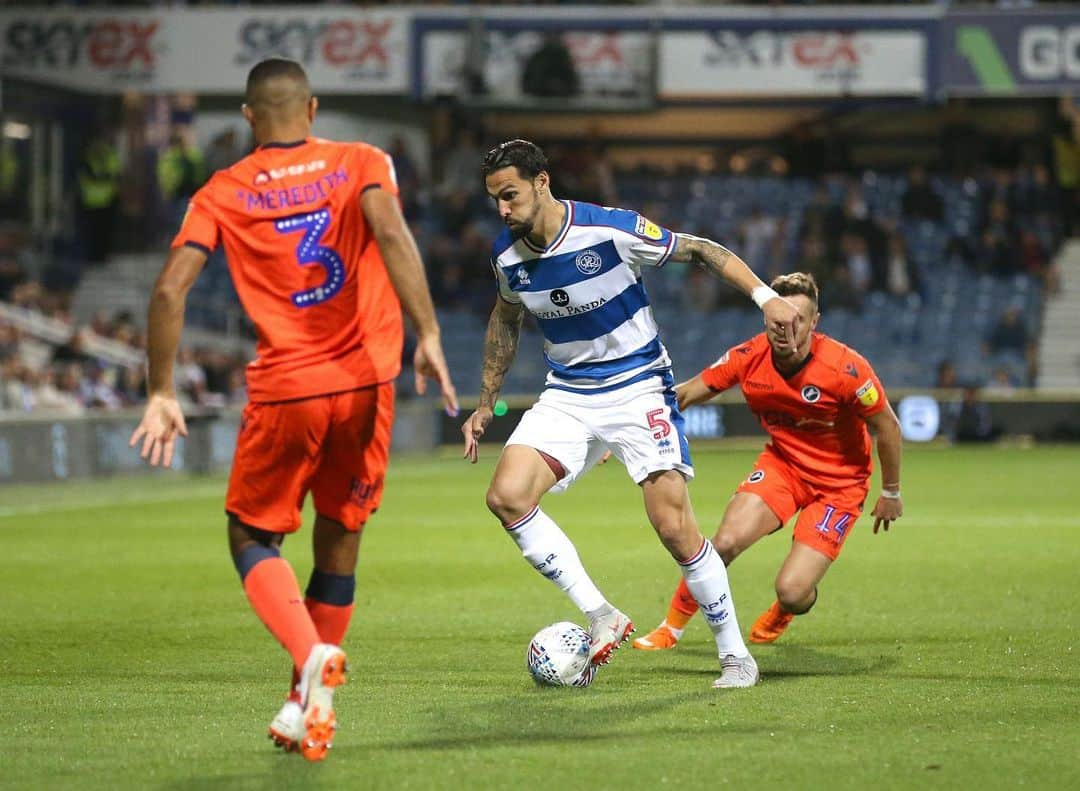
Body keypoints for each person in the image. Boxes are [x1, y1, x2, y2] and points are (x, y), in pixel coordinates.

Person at [128, 58, 458, 762]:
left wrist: (162, 390)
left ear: (248, 117)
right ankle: (304, 699)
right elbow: (393, 235)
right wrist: (427, 333)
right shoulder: (361, 160)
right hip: (369, 384)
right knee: (340, 538)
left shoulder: (221, 190)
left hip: (288, 387)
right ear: (311, 108)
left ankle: (308, 661)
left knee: (251, 535)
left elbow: (167, 292)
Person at [460, 139, 800, 689]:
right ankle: (601, 615)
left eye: (510, 195)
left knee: (674, 528)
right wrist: (483, 402)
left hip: (638, 386)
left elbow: (700, 250)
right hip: (568, 392)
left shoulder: (609, 229)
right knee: (506, 496)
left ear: (542, 183)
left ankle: (735, 654)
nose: (502, 210)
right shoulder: (507, 257)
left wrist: (767, 299)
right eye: (495, 199)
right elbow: (505, 319)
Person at [631, 272, 903, 651]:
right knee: (723, 542)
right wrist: (627, 426)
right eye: (778, 320)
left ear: (815, 322)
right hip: (784, 467)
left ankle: (788, 608)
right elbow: (688, 392)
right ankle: (671, 628)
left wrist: (891, 491)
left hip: (839, 486)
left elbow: (887, 426)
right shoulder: (749, 356)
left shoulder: (845, 368)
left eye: (799, 320)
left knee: (793, 591)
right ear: (766, 317)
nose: (786, 329)